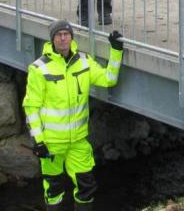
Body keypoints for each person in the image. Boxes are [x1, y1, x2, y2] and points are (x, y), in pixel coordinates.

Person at [22, 19, 124, 211]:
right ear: (52, 40)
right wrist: (38, 141)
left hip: (78, 141)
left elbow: (109, 79)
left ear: (71, 37)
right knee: (53, 190)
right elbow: (31, 107)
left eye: (66, 34)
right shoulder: (39, 69)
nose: (62, 38)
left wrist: (116, 51)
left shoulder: (84, 62)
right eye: (58, 35)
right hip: (51, 144)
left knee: (87, 187)